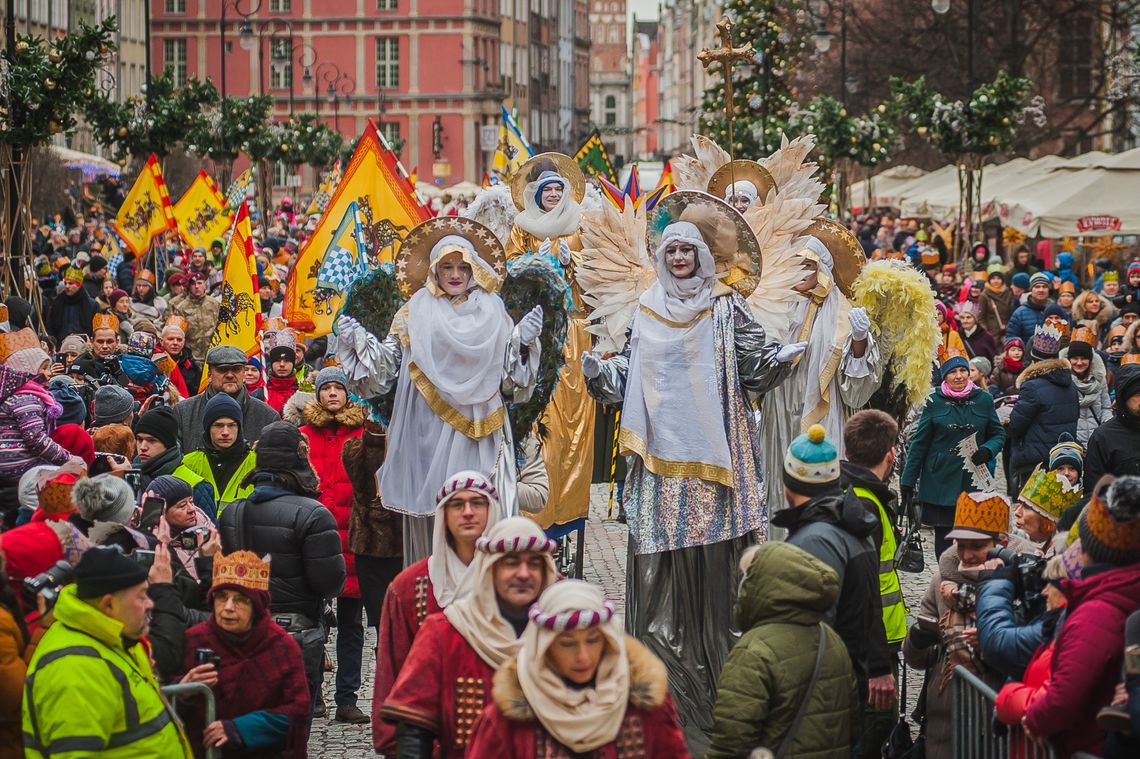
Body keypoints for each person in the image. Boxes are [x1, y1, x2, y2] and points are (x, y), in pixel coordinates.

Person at [581, 195, 803, 749]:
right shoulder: (646, 309)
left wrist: (781, 357)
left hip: (719, 472)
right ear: (661, 256)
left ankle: (723, 695)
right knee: (658, 585)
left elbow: (754, 366)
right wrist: (601, 375)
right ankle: (662, 693)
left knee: (719, 581)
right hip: (661, 472)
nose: (679, 257)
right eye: (671, 249)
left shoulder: (727, 308)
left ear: (705, 256)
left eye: (688, 249)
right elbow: (628, 374)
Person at [336, 218, 543, 552]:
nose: (456, 274)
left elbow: (512, 382)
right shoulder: (413, 311)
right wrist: (360, 342)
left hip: (480, 428)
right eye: (447, 266)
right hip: (427, 426)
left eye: (463, 265)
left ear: (475, 268)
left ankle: (488, 588)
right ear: (434, 270)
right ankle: (435, 590)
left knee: (484, 508)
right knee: (437, 511)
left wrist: (522, 343)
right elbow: (385, 373)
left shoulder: (493, 311)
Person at [379, 517, 557, 758]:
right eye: (511, 563)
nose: (523, 573)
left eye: (534, 564)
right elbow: (414, 727)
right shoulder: (445, 632)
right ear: (489, 569)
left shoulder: (564, 635)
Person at [465, 580, 691, 758]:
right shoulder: (506, 723)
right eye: (568, 644)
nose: (583, 657)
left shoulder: (646, 708)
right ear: (546, 647)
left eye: (593, 641)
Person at [371, 470, 500, 754]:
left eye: (477, 503)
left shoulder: (517, 581)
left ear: (492, 510)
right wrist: (395, 743)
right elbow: (392, 669)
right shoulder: (408, 589)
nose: (468, 512)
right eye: (457, 504)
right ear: (443, 514)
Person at [773, 424, 894, 728]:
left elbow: (807, 630)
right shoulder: (852, 522)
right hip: (847, 676)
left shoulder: (815, 541)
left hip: (822, 689)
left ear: (788, 485)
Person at [21, 546, 194, 757]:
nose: (150, 603)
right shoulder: (76, 669)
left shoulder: (113, 637)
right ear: (109, 604)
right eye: (141, 597)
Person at [503, 154, 597, 545]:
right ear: (534, 195)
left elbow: (597, 273)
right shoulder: (521, 228)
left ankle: (568, 510)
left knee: (573, 423)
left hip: (574, 330)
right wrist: (530, 262)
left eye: (559, 189)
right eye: (547, 191)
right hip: (537, 330)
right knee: (542, 420)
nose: (554, 196)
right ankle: (533, 511)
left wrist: (571, 260)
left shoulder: (581, 225)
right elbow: (506, 272)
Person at [217, 421, 346, 701]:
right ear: (300, 458)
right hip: (297, 633)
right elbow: (329, 582)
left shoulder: (232, 514)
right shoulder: (314, 514)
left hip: (244, 633)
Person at [902, 492, 1029, 759]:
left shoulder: (1024, 584)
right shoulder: (942, 582)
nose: (966, 555)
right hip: (945, 724)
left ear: (1001, 543)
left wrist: (994, 641)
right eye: (961, 545)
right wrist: (919, 637)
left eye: (976, 546)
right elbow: (918, 658)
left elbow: (1033, 649)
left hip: (997, 724)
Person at [706, 542, 858, 759]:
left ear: (761, 585)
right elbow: (850, 723)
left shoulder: (753, 651)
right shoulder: (830, 639)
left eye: (748, 577)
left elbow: (730, 743)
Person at [1024, 476, 1140, 756]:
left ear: (1091, 549)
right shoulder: (1122, 590)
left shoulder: (1098, 612)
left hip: (1087, 745)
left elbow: (1064, 698)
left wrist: (1034, 719)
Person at [179, 551, 311, 757]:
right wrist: (184, 690)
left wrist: (239, 729)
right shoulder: (195, 640)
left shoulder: (281, 647)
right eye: (222, 597)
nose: (229, 608)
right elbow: (164, 703)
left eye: (240, 600)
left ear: (256, 606)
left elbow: (297, 712)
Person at [298, 366, 367, 723]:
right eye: (327, 388)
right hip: (312, 541)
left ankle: (347, 697)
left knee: (352, 625)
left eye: (339, 388)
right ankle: (313, 695)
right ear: (318, 394)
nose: (333, 394)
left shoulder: (365, 434)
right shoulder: (303, 435)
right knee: (311, 624)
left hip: (354, 541)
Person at [841, 409, 907, 753]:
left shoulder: (849, 493)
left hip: (864, 641)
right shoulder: (863, 509)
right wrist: (880, 665)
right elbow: (864, 591)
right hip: (872, 646)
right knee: (873, 729)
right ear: (890, 454)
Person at [900, 354, 1005, 554]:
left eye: (963, 370)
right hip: (940, 480)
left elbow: (998, 434)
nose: (959, 376)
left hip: (973, 479)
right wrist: (907, 480)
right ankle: (946, 578)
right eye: (952, 372)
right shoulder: (934, 400)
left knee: (972, 533)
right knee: (944, 537)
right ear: (944, 377)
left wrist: (987, 449)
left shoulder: (984, 399)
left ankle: (968, 576)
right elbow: (920, 443)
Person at [0, 329, 76, 526]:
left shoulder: (14, 396)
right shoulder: (27, 399)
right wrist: (68, 458)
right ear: (28, 372)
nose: (49, 373)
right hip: (20, 467)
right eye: (43, 369)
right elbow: (36, 439)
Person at [1007, 323, 1079, 492]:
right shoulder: (1070, 385)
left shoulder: (1031, 387)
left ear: (1033, 361)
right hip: (1061, 458)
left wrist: (1006, 417)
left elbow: (1015, 426)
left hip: (1035, 461)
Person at [172, 345, 280, 451]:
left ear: (243, 374)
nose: (229, 375)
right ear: (209, 375)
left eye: (236, 369)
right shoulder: (184, 412)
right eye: (222, 369)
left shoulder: (268, 417)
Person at [133, 405, 216, 517]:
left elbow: (206, 530)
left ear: (168, 444)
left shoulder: (196, 485)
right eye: (139, 439)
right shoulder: (131, 474)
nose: (143, 447)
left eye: (151, 440)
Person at [180, 394, 256, 514]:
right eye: (218, 425)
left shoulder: (256, 464)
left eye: (231, 425)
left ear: (239, 428)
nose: (225, 432)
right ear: (208, 428)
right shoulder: (188, 463)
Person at [1063, 327, 1110, 446]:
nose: (1079, 363)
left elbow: (1106, 407)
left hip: (1097, 440)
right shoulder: (1063, 381)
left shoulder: (1099, 380)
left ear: (1090, 360)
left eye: (1084, 358)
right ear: (1069, 359)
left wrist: (1106, 422)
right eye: (1075, 358)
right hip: (1073, 441)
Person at [169, 272, 220, 361]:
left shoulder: (215, 304)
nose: (196, 286)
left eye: (199, 283)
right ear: (189, 287)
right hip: (191, 356)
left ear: (205, 285)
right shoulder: (181, 308)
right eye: (193, 284)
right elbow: (176, 333)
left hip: (213, 354)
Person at [45, 267, 98, 343]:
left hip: (84, 347)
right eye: (65, 283)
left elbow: (96, 329)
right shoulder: (57, 302)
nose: (67, 286)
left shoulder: (92, 305)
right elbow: (50, 327)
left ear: (79, 284)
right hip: (60, 346)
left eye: (70, 283)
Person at [259, 329, 300, 414]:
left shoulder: (302, 394)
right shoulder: (260, 394)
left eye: (286, 360)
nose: (282, 364)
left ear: (293, 363)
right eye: (277, 360)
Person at [1006, 271, 1053, 344]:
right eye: (1037, 287)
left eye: (1044, 287)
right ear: (1031, 290)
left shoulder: (1056, 311)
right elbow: (1010, 339)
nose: (1041, 290)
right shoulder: (1019, 313)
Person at [161, 317, 202, 397]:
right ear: (162, 341)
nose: (175, 343)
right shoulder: (153, 361)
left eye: (179, 340)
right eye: (170, 339)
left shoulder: (193, 367)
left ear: (184, 342)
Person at [978, 269, 1015, 340]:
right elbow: (981, 318)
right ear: (989, 281)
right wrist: (985, 332)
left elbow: (1012, 313)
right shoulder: (984, 295)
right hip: (991, 332)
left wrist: (1009, 326)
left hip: (1007, 331)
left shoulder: (1008, 293)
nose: (996, 281)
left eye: (998, 278)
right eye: (993, 279)